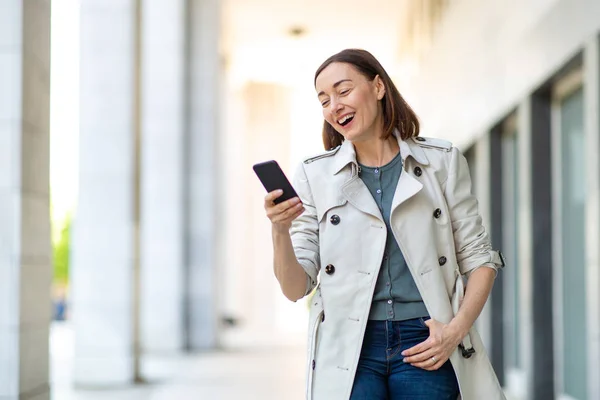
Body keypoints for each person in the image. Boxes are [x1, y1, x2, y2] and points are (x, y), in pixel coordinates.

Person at [263, 48, 506, 400]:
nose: (334, 106)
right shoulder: (315, 174)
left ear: (378, 87)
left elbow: (480, 258)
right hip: (350, 346)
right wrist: (279, 229)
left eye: (343, 91)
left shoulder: (441, 161)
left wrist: (455, 333)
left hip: (426, 339)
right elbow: (294, 287)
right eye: (324, 100)